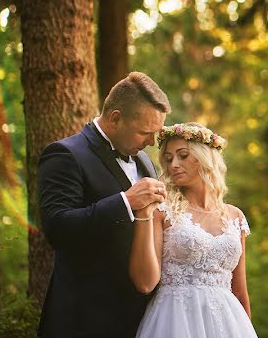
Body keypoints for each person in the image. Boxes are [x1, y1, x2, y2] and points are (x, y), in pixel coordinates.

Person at [37, 72, 171, 338]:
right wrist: (126, 202)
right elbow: (57, 228)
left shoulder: (144, 162)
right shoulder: (65, 154)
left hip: (141, 319)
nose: (151, 143)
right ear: (116, 118)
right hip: (83, 319)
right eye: (145, 132)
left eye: (155, 134)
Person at [130, 122, 256, 337]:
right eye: (168, 159)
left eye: (183, 155)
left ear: (205, 157)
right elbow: (145, 283)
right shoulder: (161, 211)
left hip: (229, 324)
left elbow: (240, 291)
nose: (173, 165)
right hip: (175, 321)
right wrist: (144, 215)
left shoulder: (235, 216)